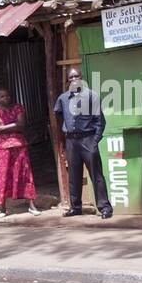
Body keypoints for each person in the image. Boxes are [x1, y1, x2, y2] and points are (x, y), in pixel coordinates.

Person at [54, 67, 111, 219]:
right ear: (68, 80)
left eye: (76, 76)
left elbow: (100, 122)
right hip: (71, 141)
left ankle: (105, 207)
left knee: (96, 175)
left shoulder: (92, 96)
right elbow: (58, 117)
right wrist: (64, 139)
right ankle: (76, 207)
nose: (73, 80)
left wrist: (95, 141)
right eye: (71, 78)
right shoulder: (63, 99)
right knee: (74, 175)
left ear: (81, 77)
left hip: (88, 139)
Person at [0, 87, 39, 216]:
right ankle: (2, 208)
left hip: (19, 145)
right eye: (2, 96)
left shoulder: (18, 108)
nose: (6, 98)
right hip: (2, 148)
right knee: (3, 176)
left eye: (7, 96)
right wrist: (13, 125)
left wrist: (3, 127)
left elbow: (21, 125)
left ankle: (31, 205)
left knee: (25, 174)